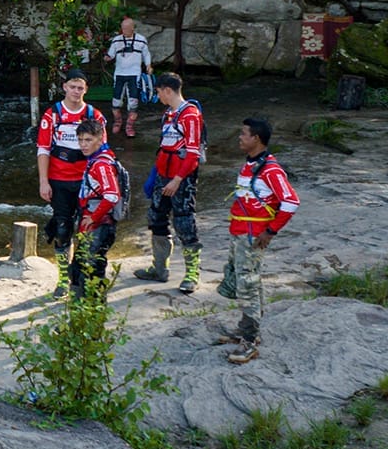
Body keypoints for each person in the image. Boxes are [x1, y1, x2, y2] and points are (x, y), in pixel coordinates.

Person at [216, 119, 299, 364]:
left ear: (257, 139)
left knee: (248, 286)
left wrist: (270, 231)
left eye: (243, 134)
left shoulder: (270, 170)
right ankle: (246, 330)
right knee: (247, 280)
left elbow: (291, 202)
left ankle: (250, 343)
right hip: (241, 233)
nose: (239, 137)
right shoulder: (252, 165)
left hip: (251, 236)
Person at [132, 74, 205, 294]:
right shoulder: (168, 115)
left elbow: (192, 153)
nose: (157, 95)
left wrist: (177, 179)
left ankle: (192, 273)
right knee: (156, 218)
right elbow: (165, 147)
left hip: (180, 179)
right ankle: (159, 268)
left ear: (167, 90)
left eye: (158, 91)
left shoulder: (190, 116)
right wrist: (154, 177)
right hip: (163, 176)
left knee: (184, 222)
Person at [36, 69, 106, 296]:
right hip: (59, 181)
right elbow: (43, 150)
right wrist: (43, 182)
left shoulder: (94, 115)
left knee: (87, 229)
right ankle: (63, 279)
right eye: (72, 87)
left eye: (81, 87)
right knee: (63, 229)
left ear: (86, 90)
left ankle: (80, 279)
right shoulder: (52, 115)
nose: (76, 91)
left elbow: (104, 151)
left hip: (87, 183)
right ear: (64, 87)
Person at [70, 118, 124, 297]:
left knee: (91, 272)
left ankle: (92, 318)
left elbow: (111, 195)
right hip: (94, 224)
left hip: (100, 226)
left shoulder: (101, 164)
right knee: (78, 270)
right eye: (80, 140)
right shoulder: (97, 159)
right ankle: (78, 316)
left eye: (88, 140)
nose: (83, 145)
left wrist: (93, 218)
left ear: (100, 139)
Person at [105, 17, 153, 139]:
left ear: (132, 28)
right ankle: (117, 121)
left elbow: (146, 54)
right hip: (119, 74)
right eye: (122, 28)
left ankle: (129, 126)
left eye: (126, 28)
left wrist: (148, 66)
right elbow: (110, 54)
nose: (124, 30)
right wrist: (107, 58)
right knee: (116, 101)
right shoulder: (116, 40)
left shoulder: (141, 40)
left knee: (133, 102)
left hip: (134, 74)